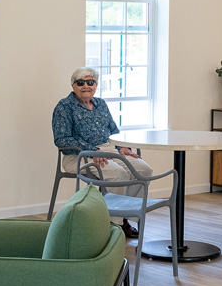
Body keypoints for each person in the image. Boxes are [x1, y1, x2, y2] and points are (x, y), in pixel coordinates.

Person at [52, 67, 151, 238]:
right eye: (80, 82)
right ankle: (113, 225)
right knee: (118, 174)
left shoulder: (101, 104)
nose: (86, 86)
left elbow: (113, 131)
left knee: (143, 170)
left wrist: (122, 148)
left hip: (109, 149)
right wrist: (91, 151)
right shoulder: (64, 107)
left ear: (96, 85)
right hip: (78, 155)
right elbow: (61, 139)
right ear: (73, 85)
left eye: (90, 82)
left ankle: (123, 217)